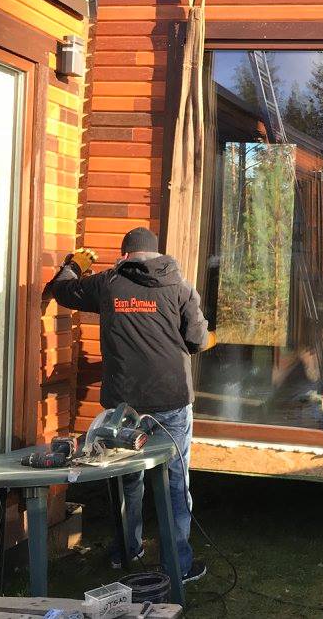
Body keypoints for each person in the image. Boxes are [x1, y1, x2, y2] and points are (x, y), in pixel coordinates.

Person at [48, 227, 209, 582]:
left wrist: (73, 266)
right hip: (171, 401)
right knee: (175, 482)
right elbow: (197, 339)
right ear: (157, 254)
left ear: (124, 256)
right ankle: (178, 566)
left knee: (126, 479)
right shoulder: (180, 286)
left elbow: (63, 291)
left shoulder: (108, 284)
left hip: (124, 408)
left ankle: (126, 551)